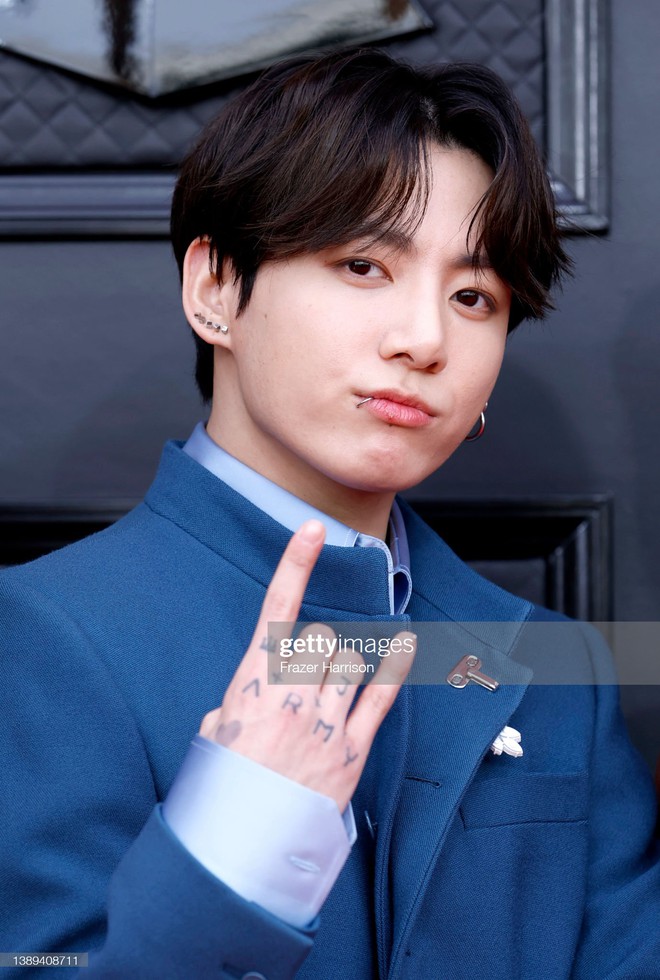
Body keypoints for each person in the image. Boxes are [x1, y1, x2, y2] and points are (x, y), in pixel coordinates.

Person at [1, 49, 659, 979]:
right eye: (362, 265)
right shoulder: (39, 638)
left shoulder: (553, 666)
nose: (424, 339)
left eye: (474, 297)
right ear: (217, 290)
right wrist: (238, 845)